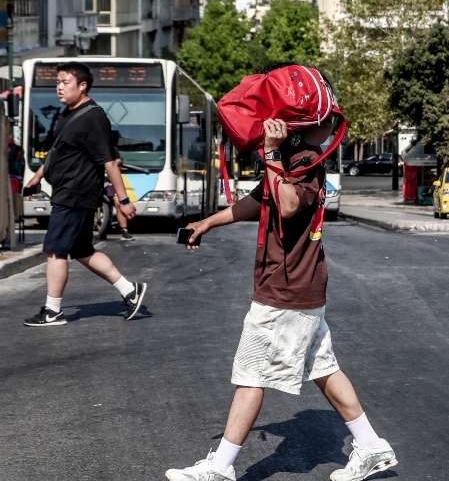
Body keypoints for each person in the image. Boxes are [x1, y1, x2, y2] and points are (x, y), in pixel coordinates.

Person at [166, 67, 396, 481]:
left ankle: (220, 467)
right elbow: (261, 200)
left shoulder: (305, 161)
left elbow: (287, 205)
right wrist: (208, 223)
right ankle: (371, 445)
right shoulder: (292, 157)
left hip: (286, 287)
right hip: (301, 284)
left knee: (251, 373)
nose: (328, 127)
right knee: (323, 367)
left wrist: (271, 154)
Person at [22, 61, 146, 327]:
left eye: (65, 82)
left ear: (82, 86)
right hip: (67, 192)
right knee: (81, 250)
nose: (59, 87)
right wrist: (38, 175)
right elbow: (59, 150)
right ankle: (130, 291)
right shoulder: (67, 114)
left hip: (75, 194)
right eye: (57, 82)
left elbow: (110, 162)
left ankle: (52, 311)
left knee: (55, 250)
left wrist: (123, 200)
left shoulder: (94, 118)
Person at [106, 157, 135, 241]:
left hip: (109, 182)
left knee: (119, 201)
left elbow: (117, 164)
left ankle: (124, 230)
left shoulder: (112, 153)